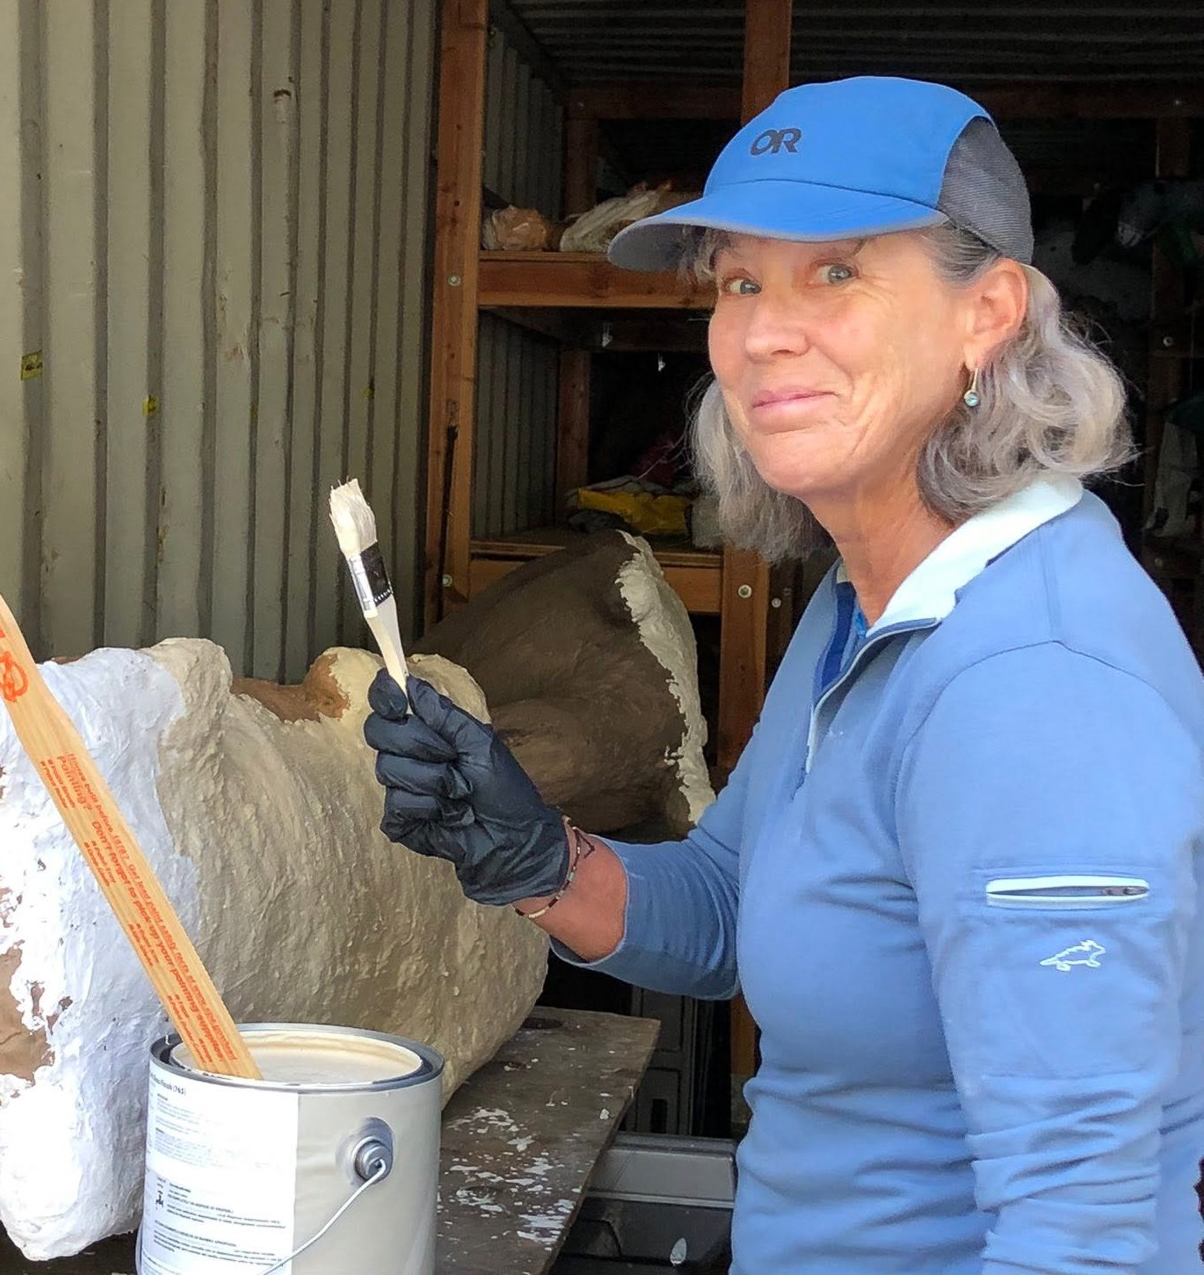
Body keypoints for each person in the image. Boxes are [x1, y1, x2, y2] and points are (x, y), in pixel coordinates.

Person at [366, 76, 1204, 1273]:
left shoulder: (1036, 683)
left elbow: (1083, 1232)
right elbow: (731, 910)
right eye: (740, 282)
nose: (764, 330)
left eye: (839, 273)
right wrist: (537, 860)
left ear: (992, 313)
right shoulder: (866, 603)